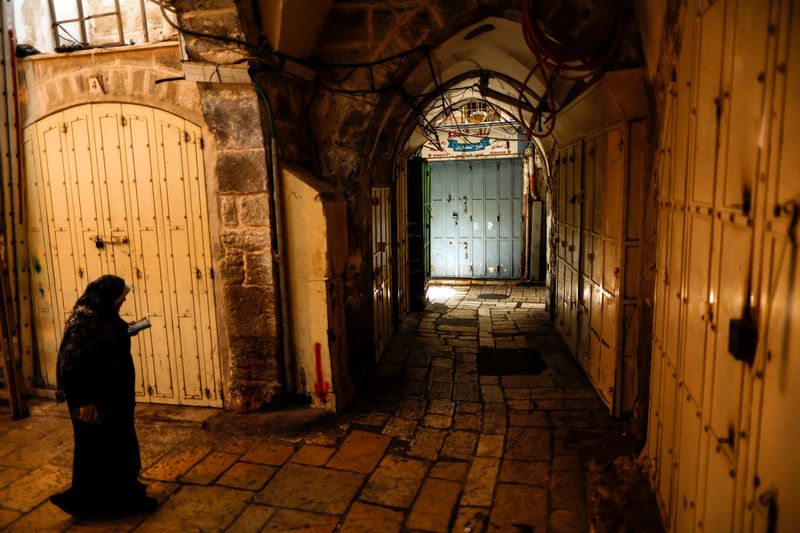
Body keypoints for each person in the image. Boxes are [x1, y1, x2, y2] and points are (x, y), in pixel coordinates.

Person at [49, 274, 157, 515]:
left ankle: (121, 496)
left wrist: (127, 330)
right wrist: (85, 402)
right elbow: (71, 367)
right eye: (121, 298)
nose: (123, 302)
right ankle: (97, 502)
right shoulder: (84, 325)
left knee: (120, 448)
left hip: (113, 400)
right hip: (94, 404)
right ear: (107, 297)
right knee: (98, 452)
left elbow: (110, 335)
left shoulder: (102, 315)